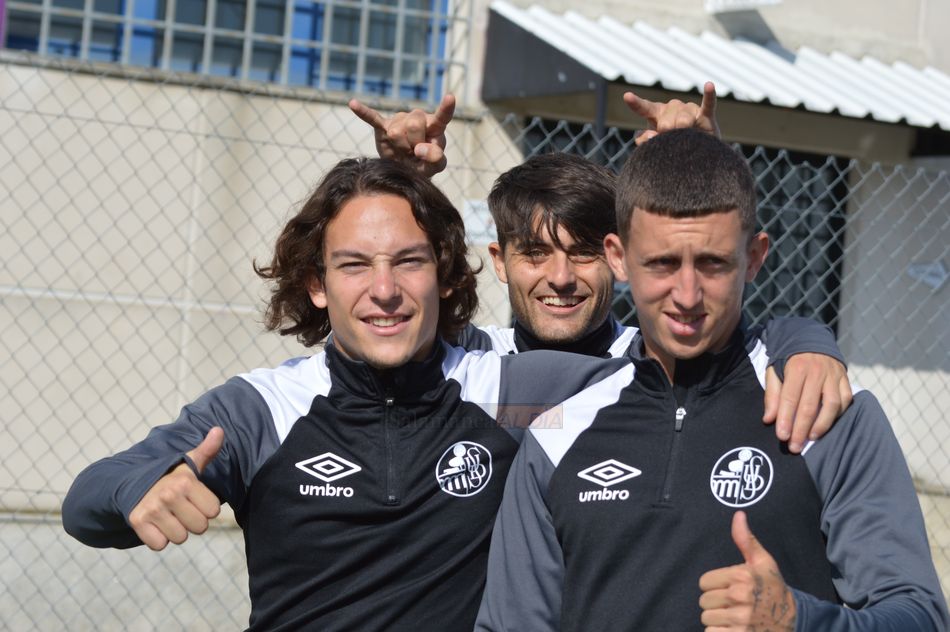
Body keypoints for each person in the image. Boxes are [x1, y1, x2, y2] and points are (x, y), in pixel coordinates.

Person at [61, 157, 634, 630]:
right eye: (354, 265)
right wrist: (140, 488)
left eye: (409, 262)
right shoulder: (265, 409)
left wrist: (680, 198)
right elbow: (85, 504)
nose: (384, 291)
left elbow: (691, 369)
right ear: (316, 284)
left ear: (446, 274)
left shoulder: (510, 394)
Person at [475, 129, 949, 631]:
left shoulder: (823, 413)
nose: (686, 294)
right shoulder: (557, 429)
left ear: (755, 257)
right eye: (661, 263)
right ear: (619, 258)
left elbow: (920, 617)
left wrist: (799, 621)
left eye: (712, 263)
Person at [349, 86, 852, 453]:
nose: (561, 278)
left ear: (618, 256)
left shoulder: (651, 359)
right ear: (501, 263)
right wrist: (404, 181)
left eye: (583, 251)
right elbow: (378, 323)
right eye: (535, 253)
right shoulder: (470, 362)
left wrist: (808, 342)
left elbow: (741, 339)